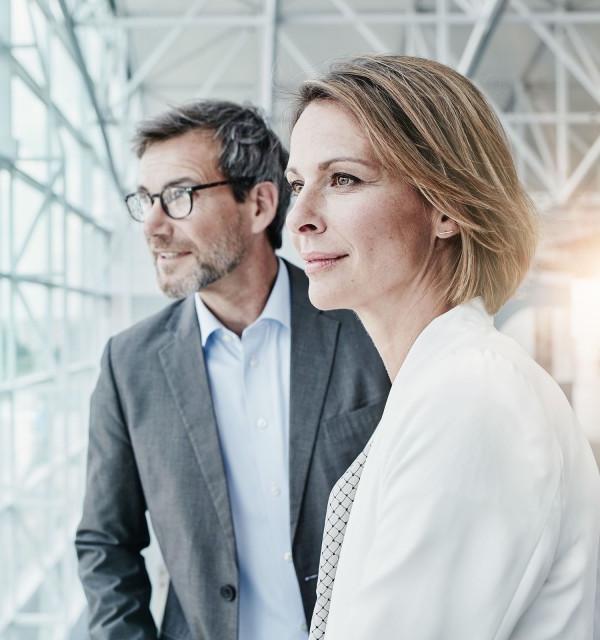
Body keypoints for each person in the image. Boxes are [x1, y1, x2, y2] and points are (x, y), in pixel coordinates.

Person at [285, 55, 600, 640]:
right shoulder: (439, 385)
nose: (299, 216)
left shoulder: (470, 399)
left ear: (447, 206)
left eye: (344, 179)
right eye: (298, 183)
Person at [75, 99, 390, 640]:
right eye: (147, 199)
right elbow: (107, 544)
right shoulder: (129, 365)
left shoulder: (367, 332)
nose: (152, 225)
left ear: (260, 205)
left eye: (178, 196)